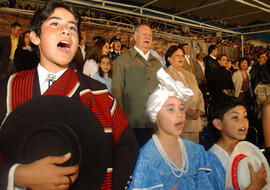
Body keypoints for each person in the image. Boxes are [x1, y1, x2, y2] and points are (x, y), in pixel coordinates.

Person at [0, 1, 139, 189]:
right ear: (35, 37)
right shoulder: (8, 89)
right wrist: (15, 175)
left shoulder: (98, 93)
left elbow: (128, 146)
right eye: (55, 24)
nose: (66, 31)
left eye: (72, 27)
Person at [128, 68, 225, 190]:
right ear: (156, 115)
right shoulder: (148, 159)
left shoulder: (196, 151)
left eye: (181, 108)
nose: (179, 114)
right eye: (170, 109)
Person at [112, 24, 162, 147]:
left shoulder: (157, 63)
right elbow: (116, 92)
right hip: (132, 124)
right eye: (144, 34)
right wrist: (120, 124)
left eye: (150, 35)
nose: (148, 37)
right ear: (135, 37)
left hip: (155, 124)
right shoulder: (122, 61)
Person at [207, 94, 267, 189]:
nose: (244, 122)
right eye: (235, 117)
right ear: (218, 124)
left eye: (245, 116)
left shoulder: (249, 149)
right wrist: (255, 186)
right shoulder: (210, 160)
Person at [165, 45, 204, 143]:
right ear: (169, 58)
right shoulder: (166, 74)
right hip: (178, 123)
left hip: (194, 122)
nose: (181, 58)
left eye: (182, 55)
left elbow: (199, 94)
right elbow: (170, 97)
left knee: (193, 154)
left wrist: (199, 110)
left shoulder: (190, 75)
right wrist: (186, 110)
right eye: (177, 55)